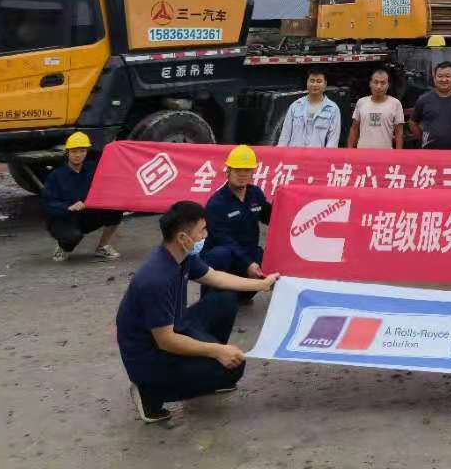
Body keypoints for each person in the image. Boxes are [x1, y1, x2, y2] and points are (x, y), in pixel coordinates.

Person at [116, 200, 280, 424]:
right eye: (202, 231)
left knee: (224, 298)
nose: (205, 235)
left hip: (175, 326)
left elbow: (216, 277)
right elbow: (166, 341)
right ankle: (149, 394)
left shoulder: (182, 257)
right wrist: (217, 350)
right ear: (183, 238)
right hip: (150, 353)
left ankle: (207, 371)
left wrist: (262, 284)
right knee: (233, 369)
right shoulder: (156, 278)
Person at [202, 146, 272, 301]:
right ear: (228, 171)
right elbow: (223, 240)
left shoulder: (255, 194)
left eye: (247, 170)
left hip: (248, 254)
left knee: (265, 255)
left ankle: (241, 296)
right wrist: (248, 263)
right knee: (220, 254)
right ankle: (210, 297)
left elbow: (272, 217)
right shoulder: (216, 204)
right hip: (226, 256)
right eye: (238, 170)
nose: (242, 174)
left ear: (253, 172)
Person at [41, 131, 122, 261]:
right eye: (74, 151)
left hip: (86, 214)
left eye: (82, 151)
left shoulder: (93, 169)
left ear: (87, 152)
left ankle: (102, 247)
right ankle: (63, 247)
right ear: (67, 152)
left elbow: (113, 172)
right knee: (72, 236)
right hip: (62, 219)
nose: (78, 155)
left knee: (115, 210)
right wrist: (68, 207)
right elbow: (48, 204)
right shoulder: (56, 176)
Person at [276, 70, 342, 148]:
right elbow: (285, 136)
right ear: (307, 83)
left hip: (317, 155)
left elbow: (333, 141)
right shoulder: (295, 106)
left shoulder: (333, 109)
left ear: (325, 84)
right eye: (312, 81)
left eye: (319, 81)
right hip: (294, 154)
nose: (315, 84)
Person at [349, 68, 405, 149]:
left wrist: (398, 154)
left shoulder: (395, 104)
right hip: (362, 153)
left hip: (385, 154)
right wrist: (349, 152)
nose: (379, 86)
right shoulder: (361, 102)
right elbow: (354, 129)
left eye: (383, 83)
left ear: (388, 85)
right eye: (376, 82)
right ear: (370, 83)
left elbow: (399, 133)